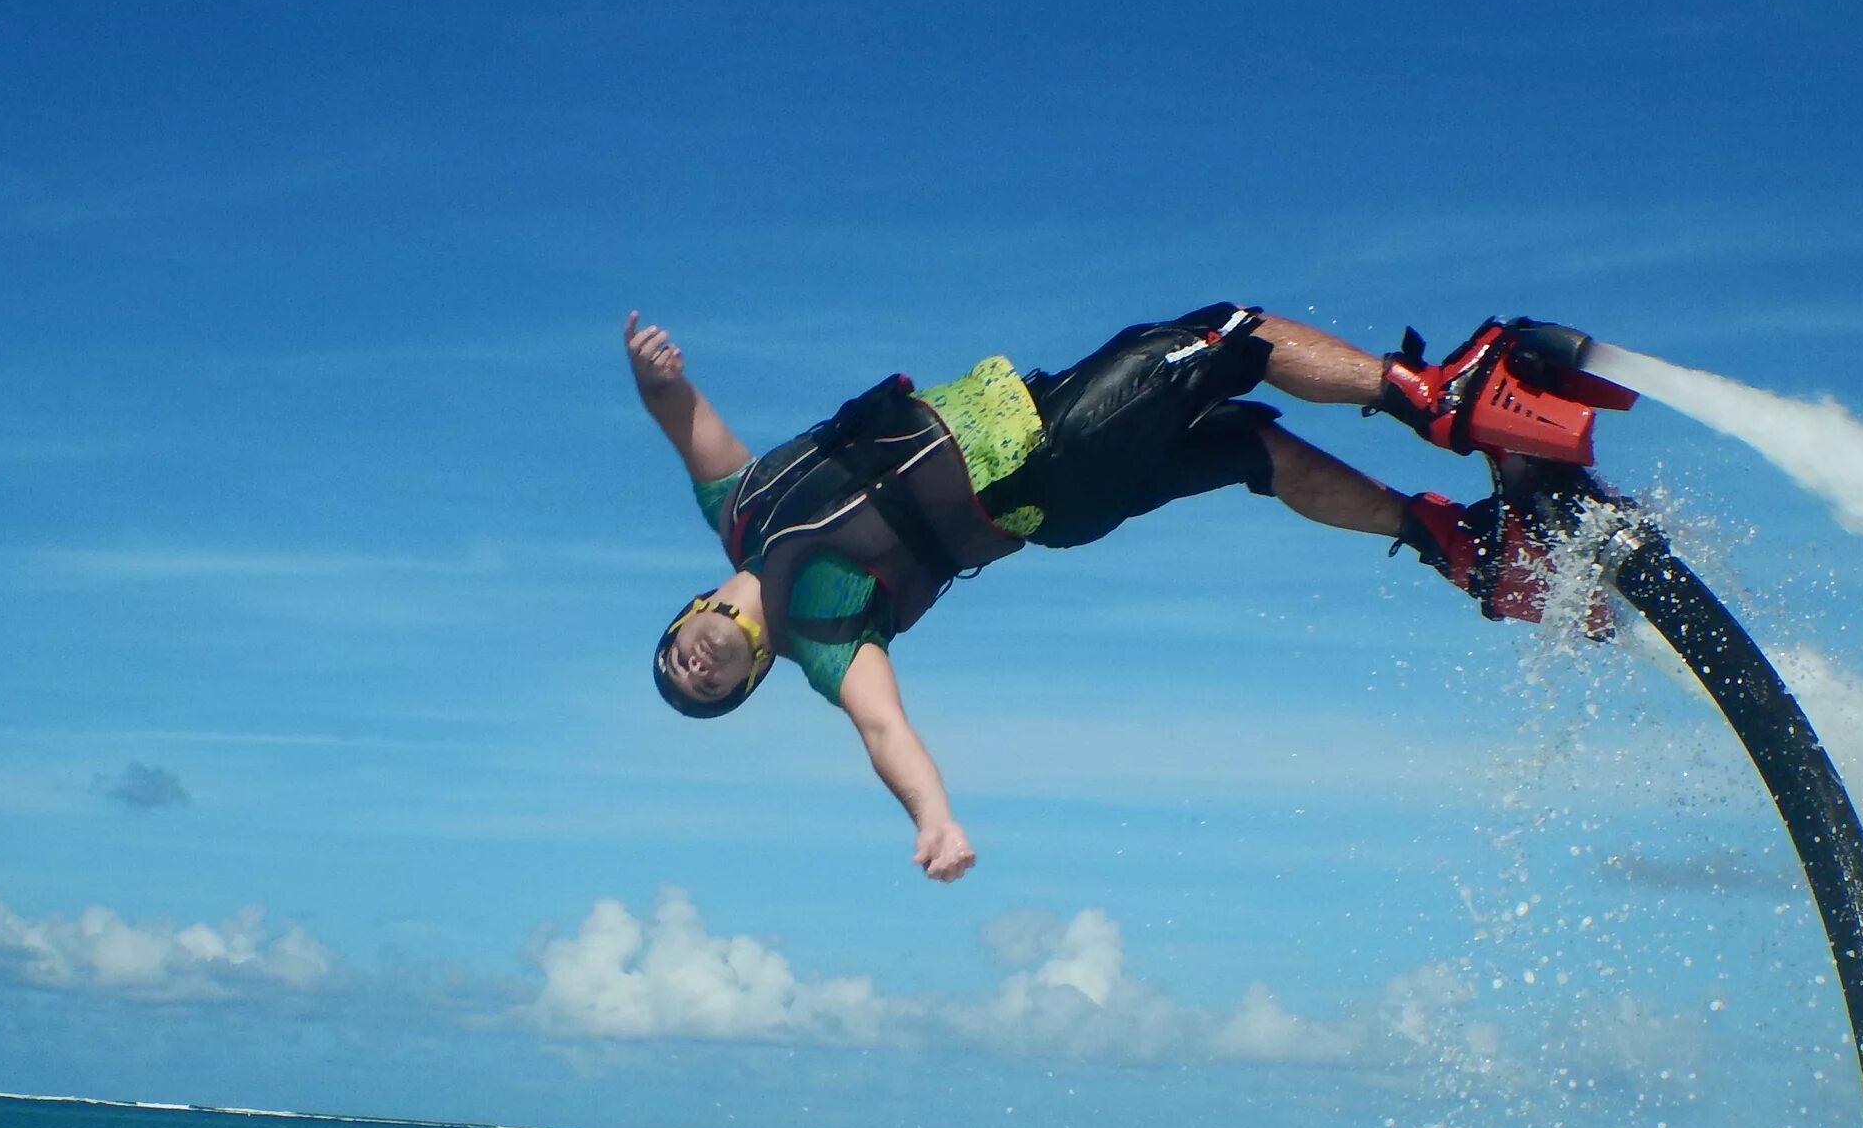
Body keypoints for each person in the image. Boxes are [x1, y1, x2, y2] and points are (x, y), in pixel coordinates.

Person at [627, 302, 1576, 883]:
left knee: (1257, 450)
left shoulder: (741, 505)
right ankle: (1436, 398)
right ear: (747, 679)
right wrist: (934, 818)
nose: (698, 669)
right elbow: (885, 731)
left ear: (686, 619)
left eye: (680, 660)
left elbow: (683, 416)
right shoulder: (822, 633)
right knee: (1226, 334)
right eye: (711, 690)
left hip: (1054, 447)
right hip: (1047, 464)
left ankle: (1460, 548)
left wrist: (654, 375)